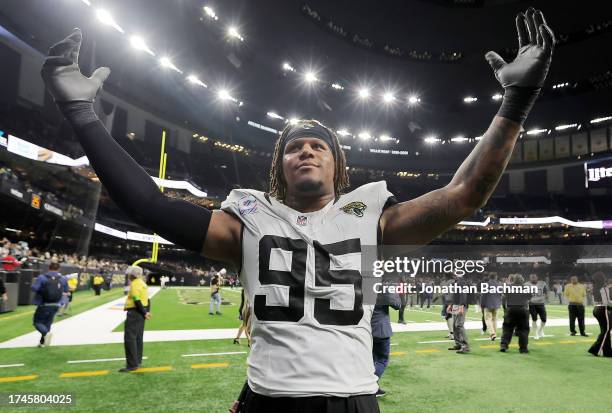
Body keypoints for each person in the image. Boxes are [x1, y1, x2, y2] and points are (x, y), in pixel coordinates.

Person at [42, 10, 555, 410]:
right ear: (279, 168)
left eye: (318, 146)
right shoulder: (248, 218)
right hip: (267, 399)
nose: (306, 150)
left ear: (338, 167)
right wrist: (82, 113)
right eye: (294, 147)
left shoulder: (372, 216)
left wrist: (518, 99)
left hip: (351, 397)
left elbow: (465, 193)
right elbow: (149, 203)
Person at [371, 288, 401, 397]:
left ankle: (375, 387)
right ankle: (370, 385)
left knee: (371, 360)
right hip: (380, 329)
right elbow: (397, 305)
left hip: (366, 328)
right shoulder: (384, 286)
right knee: (382, 360)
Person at [120, 266, 151, 372]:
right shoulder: (143, 283)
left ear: (131, 275)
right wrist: (146, 312)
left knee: (130, 338)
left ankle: (132, 364)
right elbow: (148, 299)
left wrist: (144, 312)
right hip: (141, 312)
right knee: (138, 337)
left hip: (135, 312)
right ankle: (137, 361)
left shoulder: (134, 284)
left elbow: (137, 300)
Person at [31, 262, 68, 347]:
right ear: (58, 269)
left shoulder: (42, 277)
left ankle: (46, 333)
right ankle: (42, 343)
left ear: (49, 268)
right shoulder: (62, 278)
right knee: (48, 323)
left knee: (37, 322)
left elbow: (34, 288)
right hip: (56, 304)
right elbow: (66, 291)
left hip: (44, 304)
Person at [500, 274, 531, 353]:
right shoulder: (526, 288)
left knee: (507, 328)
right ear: (522, 280)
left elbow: (504, 296)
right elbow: (529, 297)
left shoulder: (508, 287)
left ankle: (504, 345)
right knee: (523, 330)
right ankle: (523, 348)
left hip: (511, 309)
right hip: (522, 309)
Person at [588, 272, 612, 357]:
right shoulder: (604, 288)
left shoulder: (594, 288)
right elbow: (607, 302)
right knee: (606, 331)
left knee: (605, 330)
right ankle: (595, 349)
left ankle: (608, 351)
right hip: (603, 309)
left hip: (596, 309)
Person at [448, 274, 470, 353]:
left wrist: (461, 305)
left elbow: (463, 294)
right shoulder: (457, 282)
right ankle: (459, 344)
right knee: (455, 325)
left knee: (459, 325)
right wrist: (451, 304)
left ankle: (465, 346)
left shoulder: (462, 282)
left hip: (461, 305)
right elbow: (455, 295)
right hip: (456, 305)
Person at [525, 273, 548, 339]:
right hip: (532, 304)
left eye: (534, 277)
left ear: (537, 277)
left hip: (541, 304)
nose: (533, 279)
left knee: (544, 319)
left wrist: (545, 297)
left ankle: (540, 330)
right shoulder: (526, 284)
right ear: (530, 278)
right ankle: (536, 334)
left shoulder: (542, 283)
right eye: (531, 277)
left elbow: (546, 292)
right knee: (534, 319)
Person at [481, 273, 502, 341]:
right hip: (496, 304)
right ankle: (494, 333)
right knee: (495, 319)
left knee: (488, 319)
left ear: (489, 277)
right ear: (496, 277)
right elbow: (500, 295)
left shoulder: (486, 284)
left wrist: (482, 304)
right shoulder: (499, 284)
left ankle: (492, 333)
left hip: (488, 304)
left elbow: (483, 295)